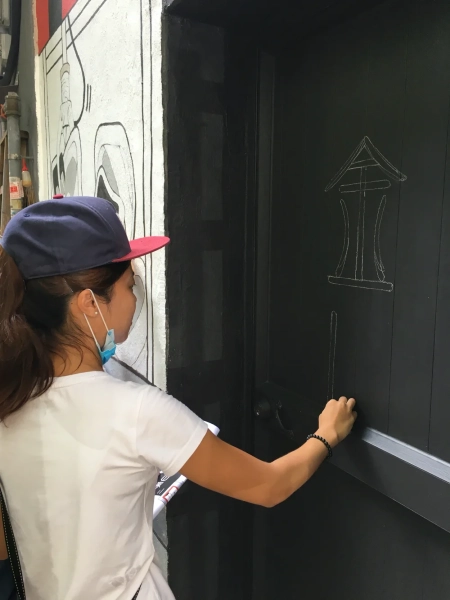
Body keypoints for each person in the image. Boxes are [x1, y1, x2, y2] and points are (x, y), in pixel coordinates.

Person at [0, 196, 356, 600]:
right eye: (129, 286)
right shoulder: (137, 411)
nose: (136, 299)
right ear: (89, 304)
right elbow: (268, 486)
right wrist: (326, 435)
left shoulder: (10, 400)